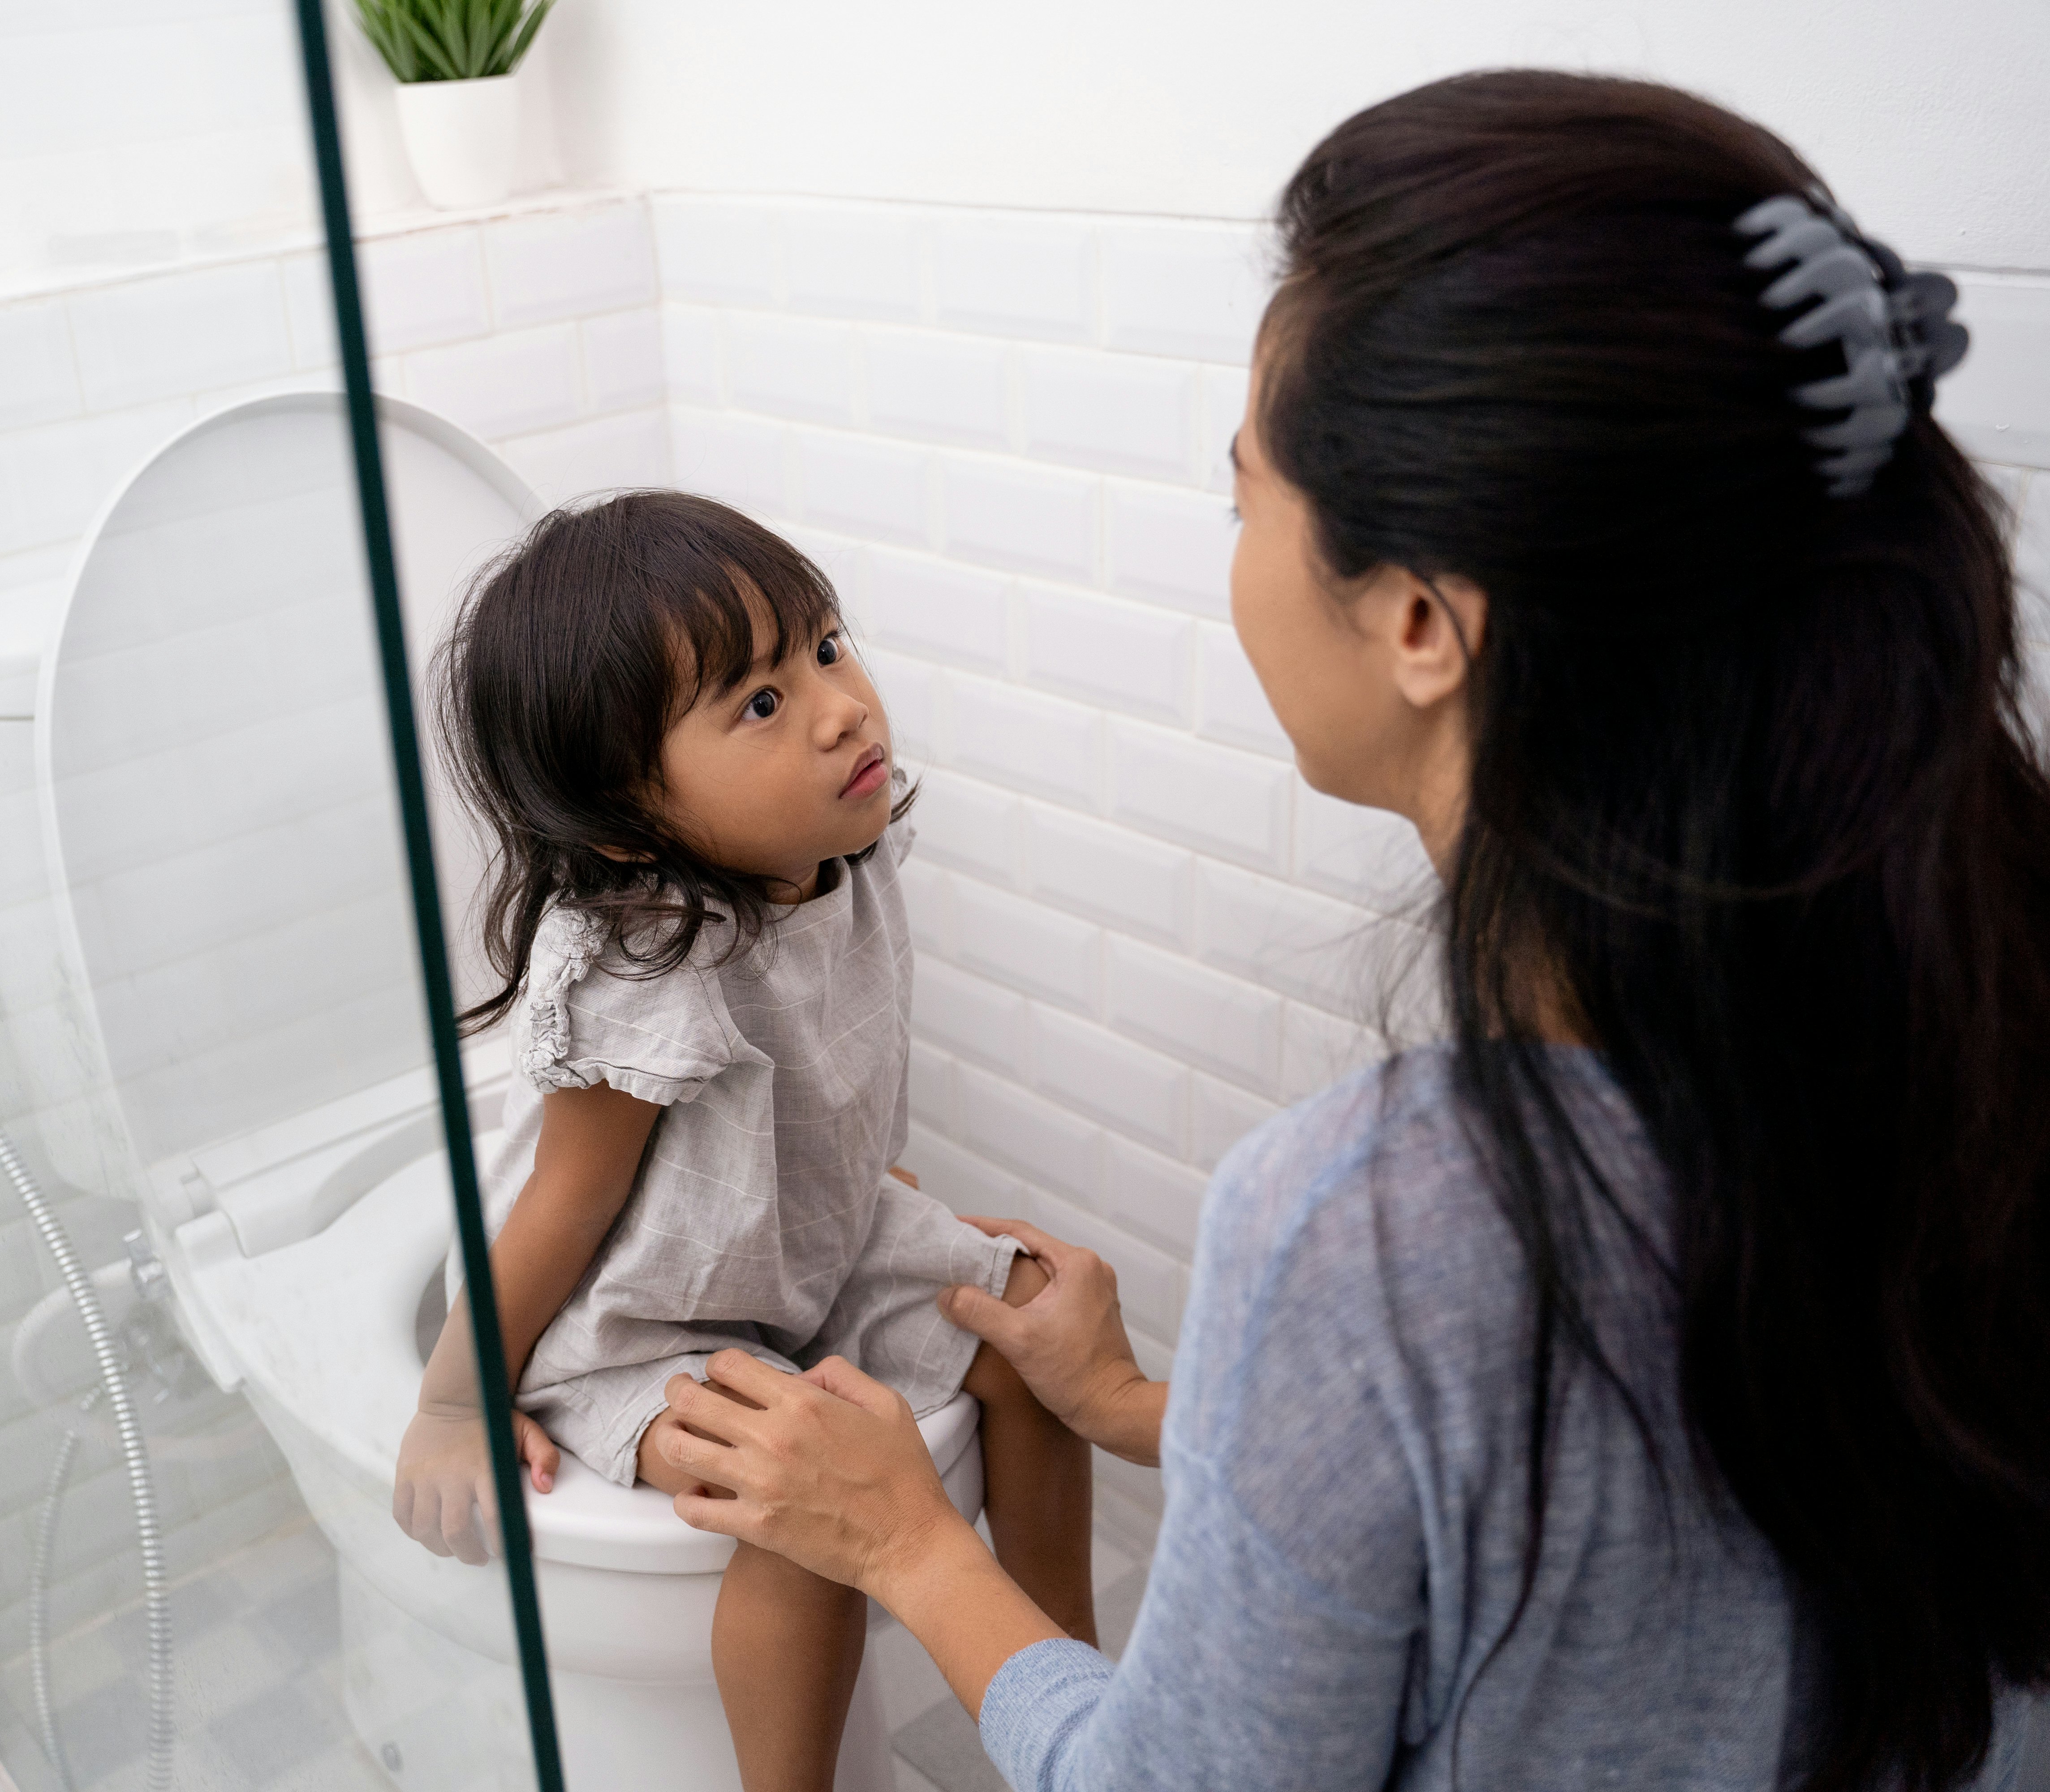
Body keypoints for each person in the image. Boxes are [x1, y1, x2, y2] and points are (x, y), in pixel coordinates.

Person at [647, 70, 2050, 1792]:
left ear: (1415, 619)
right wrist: (1157, 1415)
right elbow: (1657, 1533)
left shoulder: (1375, 1231)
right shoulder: (1987, 1025)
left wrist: (910, 1546)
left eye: (1247, 494)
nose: (1233, 546)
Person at [388, 491, 1098, 1790]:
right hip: (643, 1317)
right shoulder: (652, 961)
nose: (840, 706)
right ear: (626, 822)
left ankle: (1078, 1703)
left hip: (791, 1253)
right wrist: (452, 1402)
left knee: (1030, 1338)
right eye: (759, 704)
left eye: (825, 647)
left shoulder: (840, 849)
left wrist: (854, 1183)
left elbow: (817, 1069)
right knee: (798, 1498)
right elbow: (565, 1204)